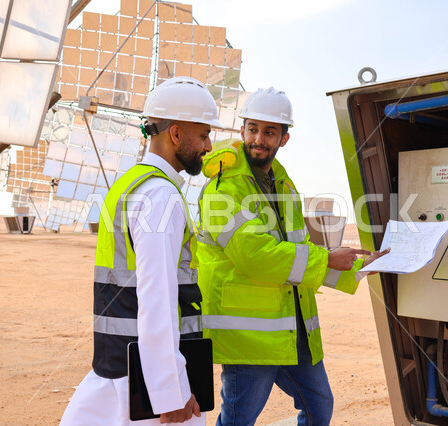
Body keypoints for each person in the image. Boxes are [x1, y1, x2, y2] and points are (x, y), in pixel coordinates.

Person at [195, 87, 389, 426]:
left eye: (269, 132)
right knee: (239, 419)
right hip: (249, 334)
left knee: (319, 405)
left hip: (290, 326)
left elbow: (298, 252)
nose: (259, 138)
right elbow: (255, 255)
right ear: (242, 131)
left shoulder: (284, 187)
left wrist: (357, 267)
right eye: (253, 129)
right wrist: (327, 259)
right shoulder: (222, 189)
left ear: (284, 139)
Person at [60, 77, 221, 425]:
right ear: (176, 134)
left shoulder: (131, 184)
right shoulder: (160, 196)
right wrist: (171, 392)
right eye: (204, 134)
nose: (209, 146)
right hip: (149, 389)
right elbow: (158, 300)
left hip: (117, 369)